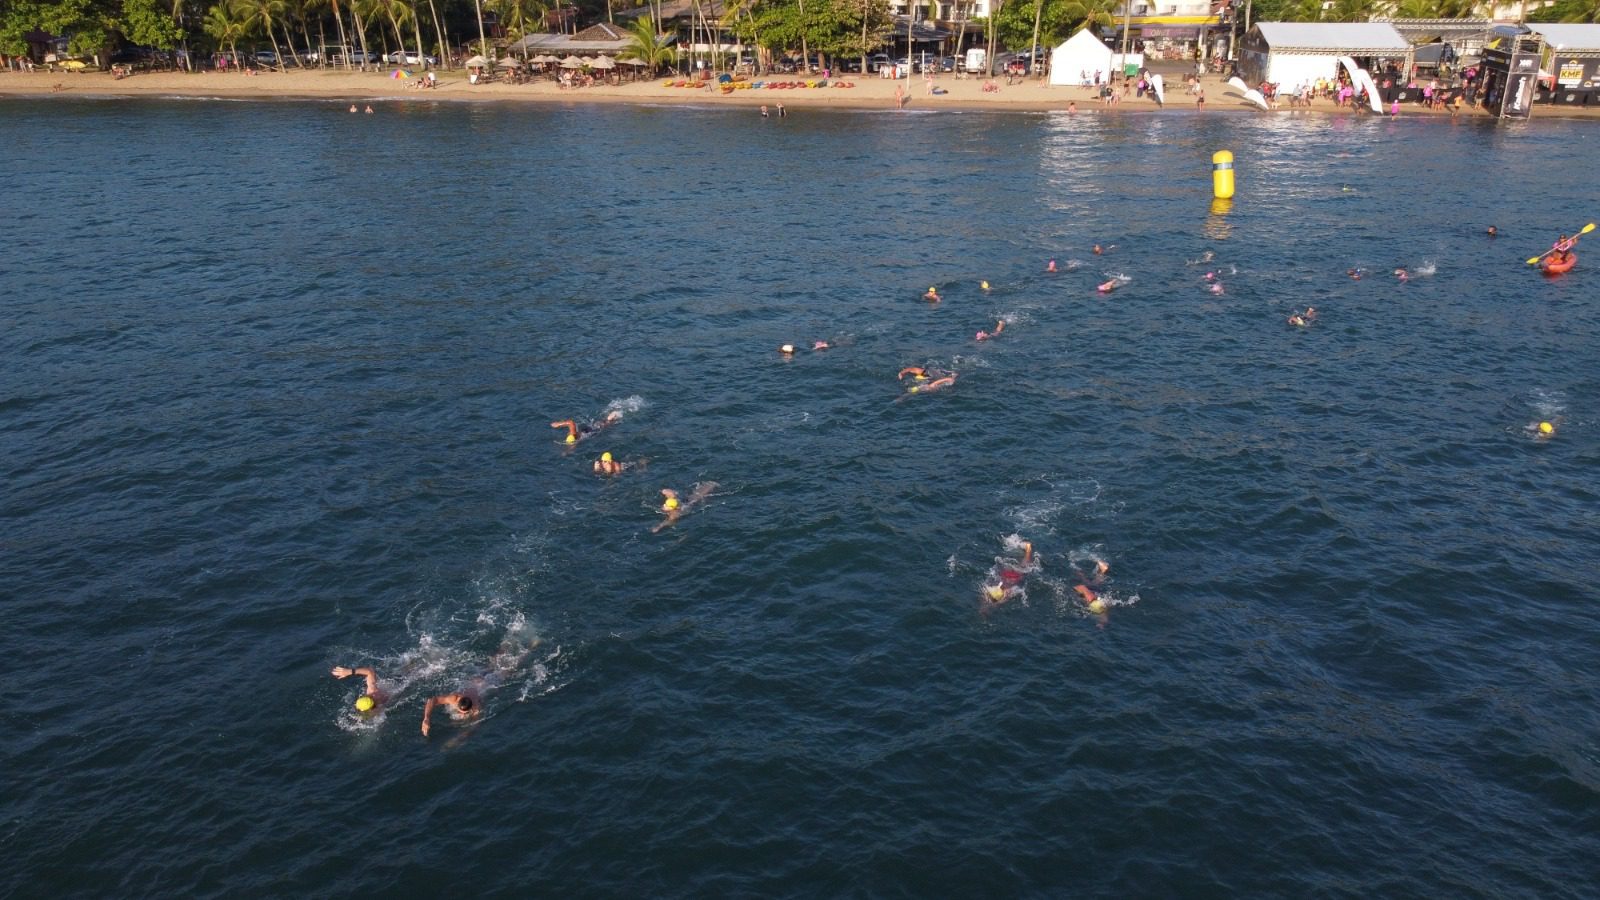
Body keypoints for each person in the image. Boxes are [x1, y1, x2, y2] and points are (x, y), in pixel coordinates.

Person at [420, 638, 540, 737]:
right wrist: (426, 718)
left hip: (489, 681)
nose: (462, 713)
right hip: (478, 677)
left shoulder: (476, 707)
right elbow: (432, 700)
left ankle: (531, 646)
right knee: (494, 662)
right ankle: (508, 641)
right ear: (459, 699)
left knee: (510, 667)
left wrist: (459, 739)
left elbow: (474, 725)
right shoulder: (454, 698)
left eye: (465, 712)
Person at [652, 481, 717, 533]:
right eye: (665, 504)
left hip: (688, 505)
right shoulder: (674, 500)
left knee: (696, 498)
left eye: (667, 506)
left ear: (672, 508)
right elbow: (666, 491)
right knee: (692, 497)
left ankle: (712, 484)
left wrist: (658, 527)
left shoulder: (675, 514)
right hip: (684, 502)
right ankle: (710, 484)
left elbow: (668, 521)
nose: (664, 506)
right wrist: (664, 491)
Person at [551, 409, 623, 444]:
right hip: (586, 430)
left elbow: (571, 422)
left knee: (604, 425)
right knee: (599, 424)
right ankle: (610, 418)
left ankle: (613, 418)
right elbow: (570, 423)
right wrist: (558, 424)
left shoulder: (573, 434)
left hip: (590, 431)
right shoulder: (573, 435)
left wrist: (558, 424)